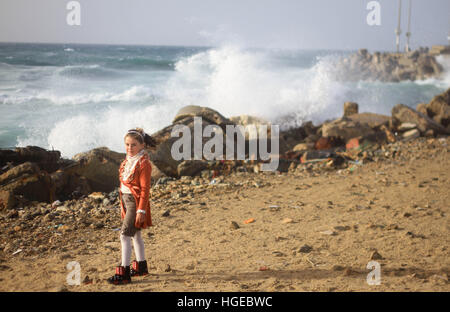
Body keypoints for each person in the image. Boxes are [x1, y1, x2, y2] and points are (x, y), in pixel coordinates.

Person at [108, 128, 156, 285]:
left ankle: (124, 272)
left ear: (142, 145)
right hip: (126, 200)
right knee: (135, 235)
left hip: (135, 202)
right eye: (127, 144)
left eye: (134, 145)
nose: (130, 148)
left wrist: (141, 209)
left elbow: (145, 189)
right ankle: (141, 266)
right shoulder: (128, 160)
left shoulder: (144, 163)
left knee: (124, 235)